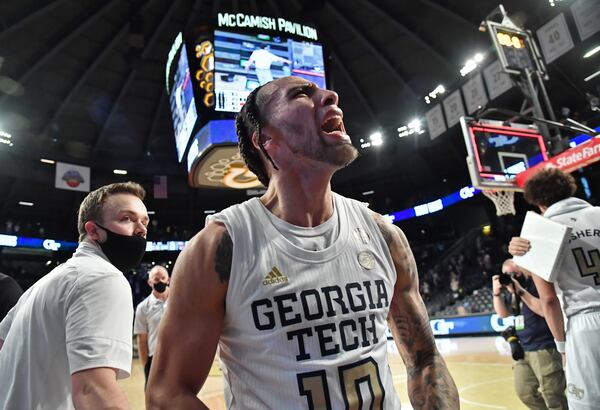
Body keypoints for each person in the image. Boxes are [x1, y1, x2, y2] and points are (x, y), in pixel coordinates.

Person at [146, 76, 459, 409]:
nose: (330, 96)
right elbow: (167, 393)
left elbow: (425, 358)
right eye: (301, 94)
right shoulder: (221, 247)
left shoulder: (383, 234)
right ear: (266, 140)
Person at [0, 182, 149, 409]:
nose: (141, 229)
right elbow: (93, 391)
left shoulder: (40, 286)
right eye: (127, 218)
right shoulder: (102, 277)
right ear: (93, 230)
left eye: (144, 221)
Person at [509, 167, 600, 409]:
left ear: (538, 201)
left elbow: (549, 300)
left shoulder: (537, 233)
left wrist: (561, 347)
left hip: (585, 324)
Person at [492, 259, 567, 409]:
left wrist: (520, 290)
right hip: (523, 348)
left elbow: (544, 309)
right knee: (524, 392)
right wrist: (497, 293)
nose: (511, 277)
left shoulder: (536, 284)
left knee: (552, 393)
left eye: (513, 272)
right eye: (506, 274)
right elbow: (503, 314)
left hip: (544, 346)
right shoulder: (511, 291)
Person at [134, 265, 170, 388]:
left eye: (163, 278)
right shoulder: (142, 308)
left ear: (168, 280)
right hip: (155, 359)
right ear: (150, 282)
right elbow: (141, 340)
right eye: (156, 279)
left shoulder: (179, 301)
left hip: (178, 358)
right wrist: (146, 367)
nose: (160, 281)